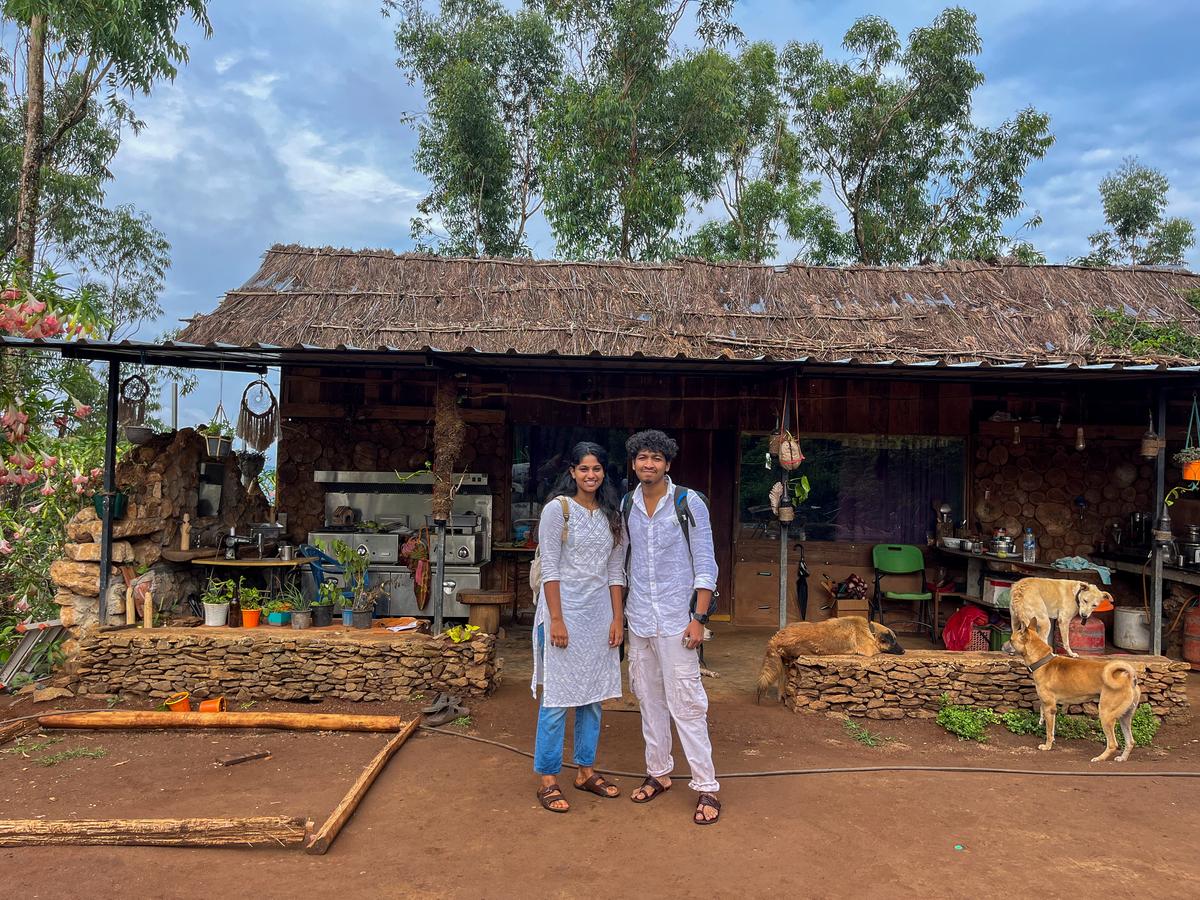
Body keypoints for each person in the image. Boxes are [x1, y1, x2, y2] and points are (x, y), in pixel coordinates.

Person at [620, 429, 722, 825]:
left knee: (687, 702)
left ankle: (707, 787)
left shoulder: (688, 502)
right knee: (648, 697)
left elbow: (706, 564)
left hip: (679, 620)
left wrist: (698, 619)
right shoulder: (628, 503)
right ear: (634, 464)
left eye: (656, 458)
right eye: (643, 457)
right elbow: (622, 562)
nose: (649, 464)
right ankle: (658, 772)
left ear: (667, 463)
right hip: (640, 617)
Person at [530, 441, 626, 813]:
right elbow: (551, 567)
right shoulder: (559, 510)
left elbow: (615, 572)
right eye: (583, 469)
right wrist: (556, 618)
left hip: (599, 616)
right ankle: (549, 779)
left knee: (593, 698)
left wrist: (618, 618)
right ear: (571, 472)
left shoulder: (611, 514)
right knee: (556, 700)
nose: (590, 475)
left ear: (604, 473)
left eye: (597, 469)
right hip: (562, 614)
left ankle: (586, 771)